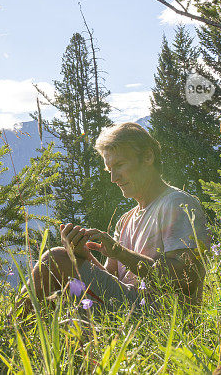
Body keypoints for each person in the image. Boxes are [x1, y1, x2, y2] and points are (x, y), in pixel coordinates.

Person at [27, 122, 211, 310]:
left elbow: (187, 280)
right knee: (62, 294)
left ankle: (6, 331)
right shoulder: (126, 220)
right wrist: (83, 256)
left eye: (120, 165)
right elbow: (109, 281)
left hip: (164, 313)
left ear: (148, 156)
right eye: (109, 170)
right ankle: (14, 332)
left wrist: (121, 253)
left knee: (55, 259)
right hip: (131, 307)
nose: (114, 178)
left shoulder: (176, 203)